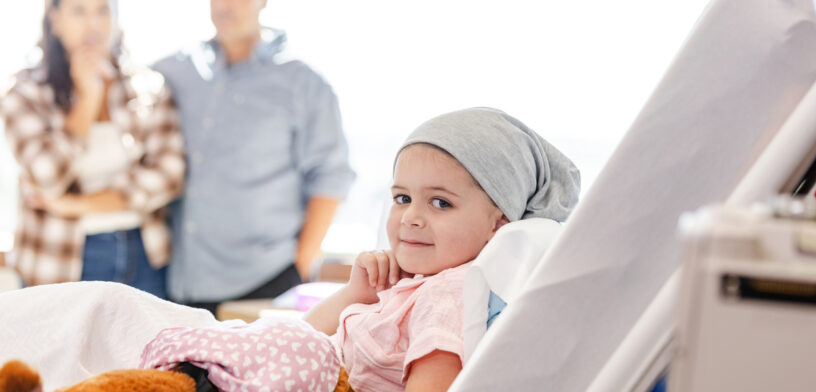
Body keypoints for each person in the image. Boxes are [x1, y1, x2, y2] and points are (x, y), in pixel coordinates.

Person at [138, 107, 581, 391]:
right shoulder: (413, 286)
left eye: (441, 203)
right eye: (402, 198)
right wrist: (356, 294)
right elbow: (308, 333)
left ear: (498, 223)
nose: (411, 217)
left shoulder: (450, 294)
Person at [152, 0, 356, 313]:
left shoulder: (302, 81)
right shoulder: (174, 71)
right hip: (180, 285)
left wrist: (300, 264)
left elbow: (331, 176)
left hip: (266, 281)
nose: (225, 5)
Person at [0, 0, 183, 298]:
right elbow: (47, 176)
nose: (93, 24)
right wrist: (88, 99)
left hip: (144, 255)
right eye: (79, 11)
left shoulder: (147, 87)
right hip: (60, 262)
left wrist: (73, 205)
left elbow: (169, 176)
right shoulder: (24, 92)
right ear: (55, 20)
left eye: (102, 10)